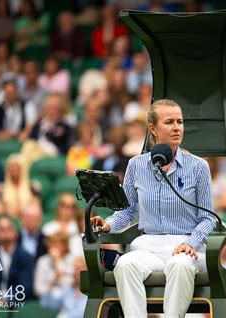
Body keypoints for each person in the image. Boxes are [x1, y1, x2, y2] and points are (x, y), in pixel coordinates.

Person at [90, 99, 216, 317]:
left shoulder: (198, 166)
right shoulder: (136, 165)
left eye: (180, 122)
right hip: (148, 246)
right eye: (169, 122)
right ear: (153, 129)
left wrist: (190, 243)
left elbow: (208, 218)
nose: (177, 127)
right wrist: (108, 224)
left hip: (187, 246)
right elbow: (127, 210)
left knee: (180, 265)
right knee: (125, 264)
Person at [0, 216, 34, 300]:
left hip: (18, 303)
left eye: (9, 229)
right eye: (2, 229)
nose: (6, 232)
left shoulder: (26, 257)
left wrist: (8, 300)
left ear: (15, 233)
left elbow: (25, 286)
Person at [34, 232, 76, 308]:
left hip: (70, 298)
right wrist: (53, 280)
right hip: (49, 300)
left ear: (65, 245)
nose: (53, 247)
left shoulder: (73, 260)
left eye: (57, 244)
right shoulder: (42, 261)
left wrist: (58, 261)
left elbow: (69, 284)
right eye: (52, 244)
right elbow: (38, 290)